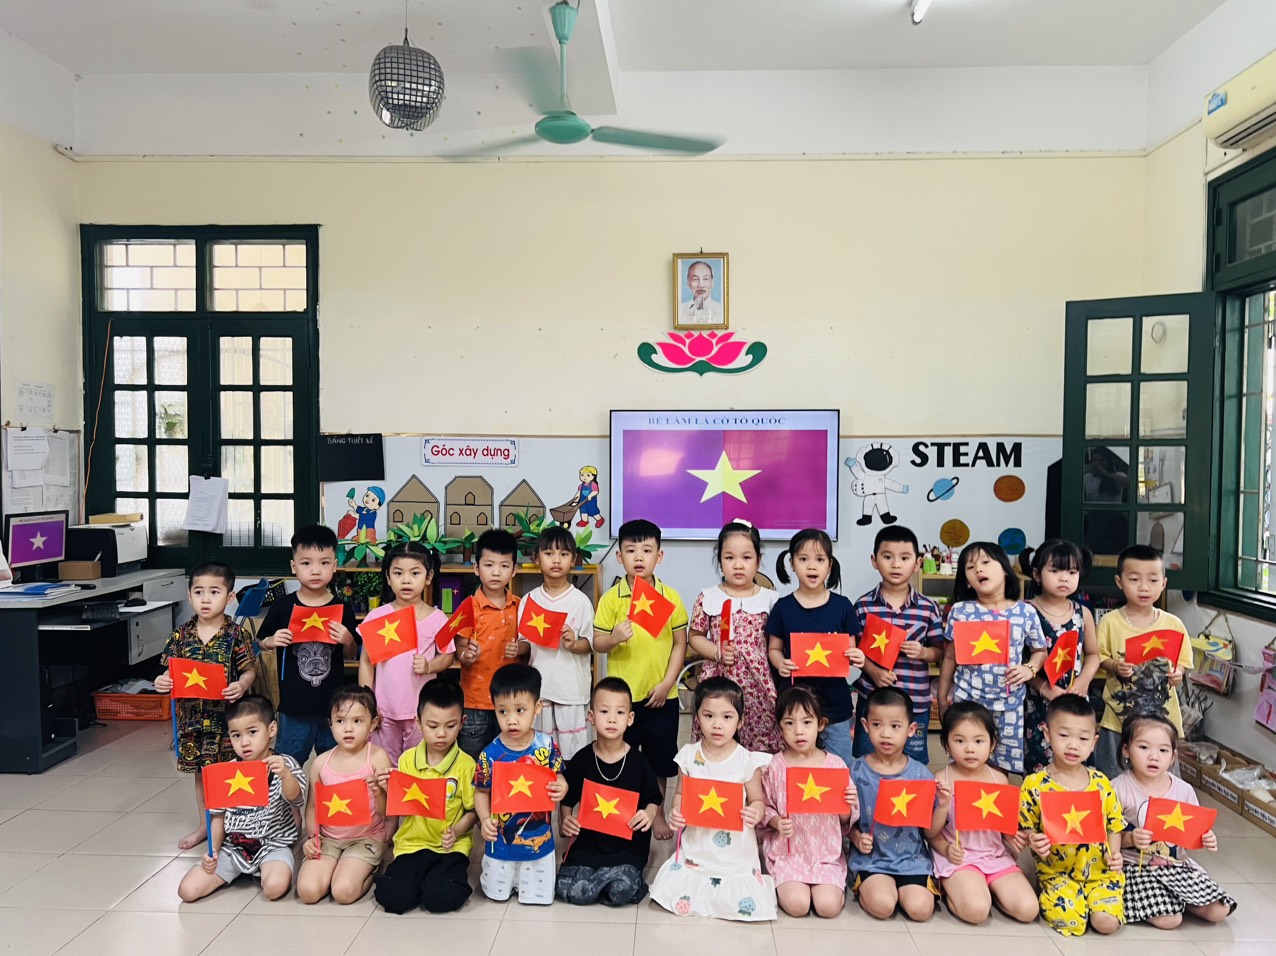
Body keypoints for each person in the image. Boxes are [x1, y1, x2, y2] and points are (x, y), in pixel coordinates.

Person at [593, 518, 689, 841]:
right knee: (619, 755)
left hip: (662, 695)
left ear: (659, 556)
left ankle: (656, 811)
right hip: (621, 701)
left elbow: (680, 644)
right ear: (619, 556)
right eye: (631, 550)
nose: (638, 557)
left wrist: (667, 684)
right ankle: (620, 810)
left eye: (647, 550)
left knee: (660, 761)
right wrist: (613, 638)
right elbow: (597, 643)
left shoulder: (670, 597)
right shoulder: (611, 599)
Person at [650, 676, 776, 921]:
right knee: (678, 881)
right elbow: (680, 794)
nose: (717, 724)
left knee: (738, 888)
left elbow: (757, 801)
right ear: (697, 718)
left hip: (736, 847)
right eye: (709, 716)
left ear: (740, 721)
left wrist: (756, 812)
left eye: (727, 717)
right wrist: (676, 811)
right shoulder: (689, 756)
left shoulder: (747, 760)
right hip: (699, 840)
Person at [154, 561, 256, 851]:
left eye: (214, 592)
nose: (206, 599)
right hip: (192, 720)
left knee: (232, 774)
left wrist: (242, 684)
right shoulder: (180, 636)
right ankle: (205, 824)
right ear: (189, 596)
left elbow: (250, 670)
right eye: (199, 592)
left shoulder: (237, 635)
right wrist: (162, 681)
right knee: (201, 774)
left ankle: (238, 828)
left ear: (230, 596)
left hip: (228, 721)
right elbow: (169, 672)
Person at [177, 695, 307, 902]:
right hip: (234, 846)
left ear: (271, 729)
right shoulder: (227, 770)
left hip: (274, 844)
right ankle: (236, 870)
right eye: (236, 735)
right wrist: (213, 851)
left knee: (275, 888)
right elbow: (218, 817)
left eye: (252, 732)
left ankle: (269, 867)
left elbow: (296, 799)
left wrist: (285, 775)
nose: (244, 742)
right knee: (187, 890)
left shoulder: (285, 764)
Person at [1016, 694, 1126, 937]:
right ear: (1047, 734)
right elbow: (1026, 825)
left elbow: (1114, 825)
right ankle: (1053, 893)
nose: (1073, 745)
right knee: (1072, 922)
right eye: (1064, 735)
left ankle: (1093, 900)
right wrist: (1033, 839)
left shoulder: (1101, 783)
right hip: (1057, 872)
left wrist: (1114, 854)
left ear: (1094, 742)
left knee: (1106, 923)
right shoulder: (1035, 784)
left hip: (1099, 872)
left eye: (1083, 738)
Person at [1112, 714, 1235, 928]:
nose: (1154, 757)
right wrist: (1131, 838)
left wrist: (1206, 838)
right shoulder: (1117, 788)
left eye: (1163, 750)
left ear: (1173, 757)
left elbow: (1193, 833)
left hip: (1177, 866)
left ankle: (1175, 898)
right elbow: (1105, 840)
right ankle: (1167, 901)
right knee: (1170, 920)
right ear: (1126, 750)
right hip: (1136, 868)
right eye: (1144, 747)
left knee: (1219, 910)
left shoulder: (1183, 790)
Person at [937, 541, 1049, 774]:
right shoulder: (961, 611)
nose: (978, 569)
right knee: (966, 761)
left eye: (986, 562)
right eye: (970, 567)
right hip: (968, 701)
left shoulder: (1025, 612)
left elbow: (1040, 651)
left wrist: (1030, 668)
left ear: (1005, 570)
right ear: (967, 581)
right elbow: (949, 657)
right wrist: (941, 696)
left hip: (1009, 705)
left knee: (1001, 768)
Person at [928, 701, 1039, 924]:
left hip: (995, 856)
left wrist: (1015, 838)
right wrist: (947, 847)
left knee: (1028, 910)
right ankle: (956, 891)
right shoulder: (941, 780)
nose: (970, 748)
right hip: (959, 858)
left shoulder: (1000, 780)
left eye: (978, 741)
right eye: (960, 741)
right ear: (947, 744)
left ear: (992, 744)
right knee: (976, 911)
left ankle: (991, 891)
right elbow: (930, 834)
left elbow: (1006, 830)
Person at [373, 680, 478, 914]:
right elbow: (397, 807)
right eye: (432, 726)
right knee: (393, 897)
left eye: (450, 725)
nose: (441, 734)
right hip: (412, 844)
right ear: (418, 723)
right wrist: (386, 789)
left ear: (462, 723)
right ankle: (419, 881)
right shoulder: (407, 760)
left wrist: (457, 831)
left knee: (441, 899)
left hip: (450, 847)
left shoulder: (466, 765)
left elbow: (473, 811)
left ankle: (434, 881)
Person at [557, 677, 663, 906]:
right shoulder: (582, 759)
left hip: (627, 847)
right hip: (588, 844)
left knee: (621, 891)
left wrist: (649, 814)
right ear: (591, 717)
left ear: (630, 718)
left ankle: (607, 881)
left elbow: (653, 799)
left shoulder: (639, 762)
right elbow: (566, 798)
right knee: (569, 891)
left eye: (620, 713)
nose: (612, 719)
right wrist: (565, 820)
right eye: (604, 711)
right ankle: (600, 880)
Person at [258, 525, 358, 767]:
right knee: (287, 764)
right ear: (294, 567)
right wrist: (271, 641)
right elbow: (260, 641)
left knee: (333, 763)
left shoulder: (342, 608)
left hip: (333, 707)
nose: (315, 570)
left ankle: (323, 794)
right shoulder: (283, 606)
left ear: (334, 566)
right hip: (294, 706)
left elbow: (351, 653)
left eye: (324, 563)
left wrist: (347, 639)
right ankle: (288, 795)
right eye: (306, 563)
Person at [767, 528, 865, 768]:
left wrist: (857, 656)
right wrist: (780, 663)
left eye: (820, 560)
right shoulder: (782, 608)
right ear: (792, 563)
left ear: (829, 566)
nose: (812, 566)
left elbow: (851, 649)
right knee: (795, 767)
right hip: (794, 705)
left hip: (835, 705)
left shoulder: (842, 606)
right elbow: (774, 649)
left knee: (839, 768)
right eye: (803, 559)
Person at [1095, 545, 1193, 778]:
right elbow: (1098, 657)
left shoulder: (1173, 624)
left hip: (1161, 721)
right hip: (1118, 719)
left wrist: (1178, 673)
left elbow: (1182, 661)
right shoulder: (1110, 622)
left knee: (1161, 780)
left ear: (1164, 583)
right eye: (1134, 579)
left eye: (1152, 580)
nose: (1144, 587)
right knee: (1113, 779)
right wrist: (1114, 665)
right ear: (1119, 582)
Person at [473, 663, 568, 906]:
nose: (511, 720)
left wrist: (562, 786)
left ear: (537, 707)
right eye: (502, 712)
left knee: (538, 896)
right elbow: (481, 792)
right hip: (501, 841)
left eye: (520, 710)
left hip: (538, 839)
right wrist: (484, 820)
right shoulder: (489, 754)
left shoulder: (547, 746)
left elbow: (558, 777)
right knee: (496, 893)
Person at [760, 686, 858, 918]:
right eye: (789, 723)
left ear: (821, 724)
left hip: (825, 855)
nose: (799, 731)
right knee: (798, 905)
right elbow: (764, 805)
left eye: (807, 722)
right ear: (780, 728)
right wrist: (776, 822)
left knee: (827, 907)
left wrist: (848, 804)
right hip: (788, 853)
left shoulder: (835, 765)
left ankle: (832, 885)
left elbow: (846, 819)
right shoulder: (774, 765)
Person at [687, 520, 781, 753]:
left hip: (758, 683)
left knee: (760, 742)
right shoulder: (708, 597)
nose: (738, 565)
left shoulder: (771, 599)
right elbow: (695, 636)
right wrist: (715, 651)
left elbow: (778, 643)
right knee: (718, 736)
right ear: (720, 561)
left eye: (746, 558)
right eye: (729, 558)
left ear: (758, 560)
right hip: (719, 679)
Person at [848, 687, 941, 922]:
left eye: (895, 726)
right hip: (871, 859)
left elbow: (930, 831)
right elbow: (845, 820)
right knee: (883, 906)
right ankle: (871, 887)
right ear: (865, 725)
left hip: (912, 859)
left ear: (911, 729)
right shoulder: (855, 771)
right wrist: (856, 838)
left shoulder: (921, 775)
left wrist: (944, 804)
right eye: (877, 725)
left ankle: (905, 887)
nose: (886, 734)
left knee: (920, 910)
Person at [853, 525, 944, 765]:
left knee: (913, 761)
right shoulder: (863, 606)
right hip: (873, 699)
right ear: (874, 561)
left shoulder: (928, 608)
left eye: (904, 558)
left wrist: (924, 652)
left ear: (917, 563)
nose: (896, 565)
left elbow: (940, 650)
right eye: (887, 557)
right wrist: (875, 672)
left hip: (915, 700)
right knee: (866, 760)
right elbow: (855, 651)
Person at [357, 542, 453, 765]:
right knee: (384, 764)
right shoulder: (377, 616)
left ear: (428, 577)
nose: (406, 580)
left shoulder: (437, 618)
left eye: (415, 573)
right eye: (398, 573)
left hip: (421, 712)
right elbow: (366, 662)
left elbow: (448, 656)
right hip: (383, 710)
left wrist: (429, 666)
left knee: (418, 763)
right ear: (388, 577)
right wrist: (367, 703)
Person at [297, 686, 392, 905]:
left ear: (373, 724)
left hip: (366, 837)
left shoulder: (377, 758)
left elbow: (387, 812)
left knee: (343, 892)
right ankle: (338, 866)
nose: (348, 729)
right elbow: (312, 807)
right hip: (329, 839)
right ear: (330, 724)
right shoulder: (321, 763)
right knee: (308, 892)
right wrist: (312, 838)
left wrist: (379, 791)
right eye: (340, 721)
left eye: (357, 721)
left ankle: (372, 869)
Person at [1020, 539, 1102, 773]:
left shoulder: (1082, 613)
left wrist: (1083, 682)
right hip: (1037, 699)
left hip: (1075, 696)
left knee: (1076, 757)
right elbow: (1017, 660)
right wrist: (1043, 687)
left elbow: (1093, 655)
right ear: (1037, 575)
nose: (1064, 578)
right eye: (1055, 571)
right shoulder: (1025, 611)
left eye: (1072, 572)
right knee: (1039, 762)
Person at [518, 525, 595, 759]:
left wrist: (574, 643)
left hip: (572, 691)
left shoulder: (581, 601)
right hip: (541, 691)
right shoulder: (529, 600)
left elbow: (590, 644)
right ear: (536, 558)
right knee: (541, 756)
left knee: (573, 756)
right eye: (549, 553)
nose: (556, 560)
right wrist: (515, 648)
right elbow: (525, 643)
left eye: (564, 554)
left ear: (573, 559)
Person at [456, 528, 521, 758]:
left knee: (509, 763)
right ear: (476, 568)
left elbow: (530, 646)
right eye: (489, 565)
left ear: (514, 570)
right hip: (475, 704)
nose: (496, 572)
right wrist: (466, 655)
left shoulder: (521, 606)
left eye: (504, 566)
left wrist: (520, 648)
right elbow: (459, 649)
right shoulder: (468, 607)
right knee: (472, 764)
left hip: (512, 702)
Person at [678, 259, 724, 326]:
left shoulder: (721, 310)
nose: (700, 285)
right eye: (695, 279)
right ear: (688, 282)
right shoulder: (680, 309)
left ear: (712, 282)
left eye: (705, 279)